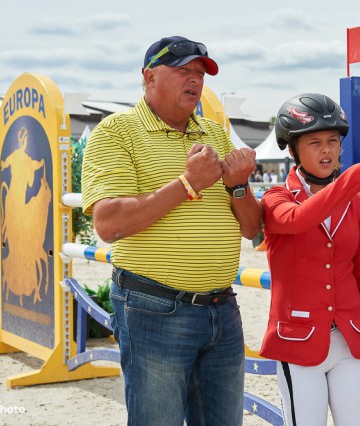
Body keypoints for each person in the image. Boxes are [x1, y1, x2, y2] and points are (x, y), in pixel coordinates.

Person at [81, 35, 262, 426]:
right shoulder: (115, 132)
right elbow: (108, 224)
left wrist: (240, 185)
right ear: (149, 77)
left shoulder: (214, 133)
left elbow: (252, 229)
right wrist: (187, 184)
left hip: (221, 309)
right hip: (154, 309)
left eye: (200, 72)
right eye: (183, 70)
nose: (194, 80)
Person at [260, 93, 360, 425]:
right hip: (298, 344)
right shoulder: (276, 198)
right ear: (292, 150)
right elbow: (300, 219)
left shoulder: (353, 201)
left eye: (333, 140)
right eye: (314, 142)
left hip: (351, 341)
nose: (327, 150)